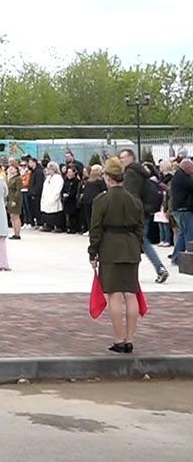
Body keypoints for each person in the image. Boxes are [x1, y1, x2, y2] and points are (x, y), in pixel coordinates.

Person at [89, 157, 144, 353]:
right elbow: (140, 227)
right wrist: (138, 247)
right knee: (131, 294)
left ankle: (119, 339)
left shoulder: (101, 200)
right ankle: (130, 339)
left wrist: (92, 252)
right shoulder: (134, 200)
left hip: (110, 248)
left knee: (114, 294)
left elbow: (95, 229)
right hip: (131, 248)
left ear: (109, 178)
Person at [119, 149, 170, 283]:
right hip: (144, 211)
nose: (121, 160)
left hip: (135, 213)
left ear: (131, 157)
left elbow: (130, 195)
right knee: (141, 241)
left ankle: (159, 268)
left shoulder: (131, 173)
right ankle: (157, 268)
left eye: (123, 157)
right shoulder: (141, 171)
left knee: (138, 242)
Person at [62, 163, 83, 234]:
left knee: (73, 215)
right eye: (68, 172)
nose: (69, 174)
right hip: (66, 200)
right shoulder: (66, 181)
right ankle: (69, 227)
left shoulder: (76, 181)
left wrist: (69, 195)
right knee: (68, 215)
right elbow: (63, 189)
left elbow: (75, 191)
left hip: (72, 200)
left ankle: (75, 228)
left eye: (70, 172)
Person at [6, 160, 23, 239]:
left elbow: (18, 190)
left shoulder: (18, 179)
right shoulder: (11, 178)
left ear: (16, 169)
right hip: (10, 198)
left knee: (16, 216)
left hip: (15, 199)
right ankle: (14, 232)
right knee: (12, 216)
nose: (10, 170)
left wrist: (15, 200)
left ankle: (17, 233)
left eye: (12, 169)